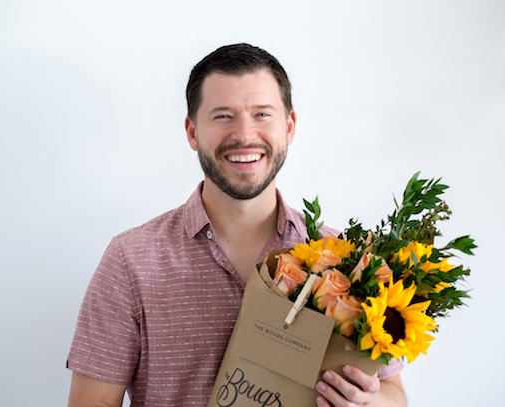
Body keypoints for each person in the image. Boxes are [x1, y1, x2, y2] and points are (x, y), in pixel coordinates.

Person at [67, 43, 407, 407]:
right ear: (192, 132)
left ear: (289, 126)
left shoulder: (352, 261)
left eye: (262, 114)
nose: (245, 135)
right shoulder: (130, 260)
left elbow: (394, 394)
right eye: (223, 116)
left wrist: (369, 401)